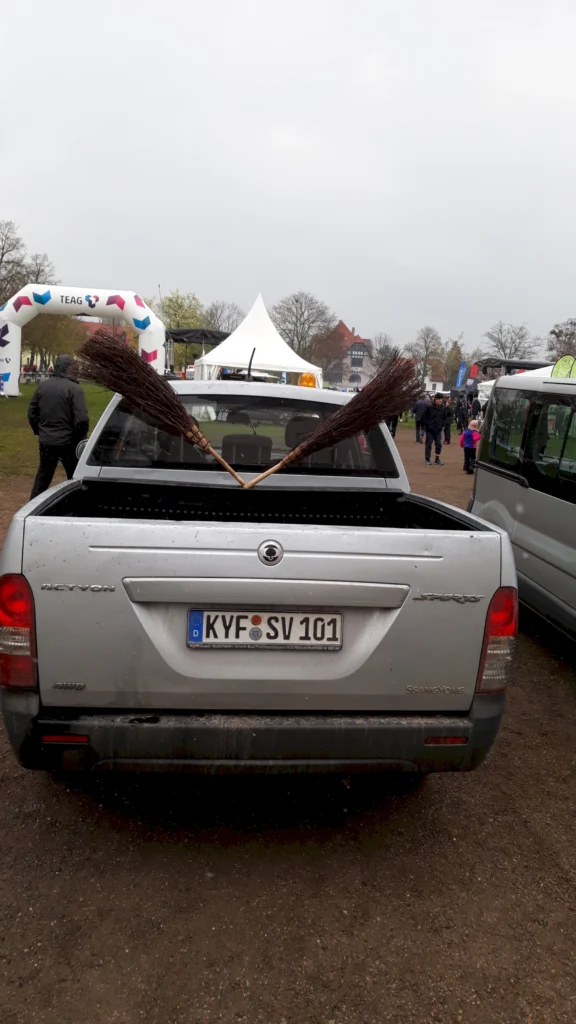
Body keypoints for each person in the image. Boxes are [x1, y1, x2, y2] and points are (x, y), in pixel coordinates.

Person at [28, 353, 89, 499]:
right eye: (74, 367)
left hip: (47, 442)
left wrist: (40, 431)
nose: (77, 370)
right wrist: (77, 439)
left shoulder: (42, 386)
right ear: (67, 368)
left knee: (43, 478)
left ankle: (32, 507)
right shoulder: (74, 389)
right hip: (68, 443)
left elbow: (32, 413)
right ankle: (76, 510)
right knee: (74, 479)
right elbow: (82, 420)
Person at [422, 393, 446, 465]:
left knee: (438, 444)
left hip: (438, 429)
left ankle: (437, 459)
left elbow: (444, 417)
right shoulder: (430, 406)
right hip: (430, 429)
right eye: (438, 399)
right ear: (435, 399)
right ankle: (427, 459)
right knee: (428, 444)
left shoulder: (442, 407)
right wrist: (427, 425)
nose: (440, 400)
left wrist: (442, 424)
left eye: (441, 399)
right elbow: (424, 417)